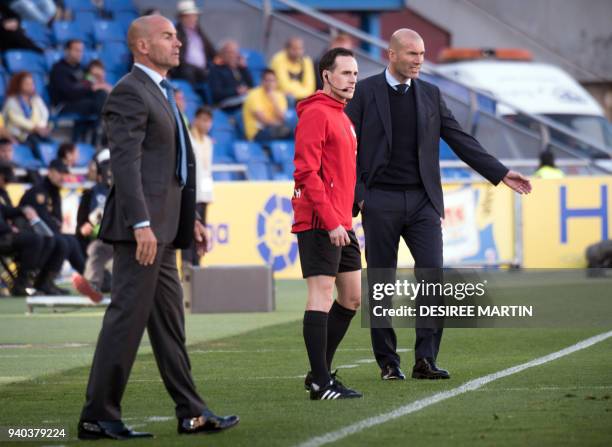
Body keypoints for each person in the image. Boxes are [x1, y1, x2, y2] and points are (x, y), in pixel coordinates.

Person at [77, 15, 239, 440]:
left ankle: (192, 411)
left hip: (166, 231)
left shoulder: (164, 92)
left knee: (169, 326)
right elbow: (125, 167)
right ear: (143, 47)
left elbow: (172, 168)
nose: (179, 42)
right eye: (168, 36)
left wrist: (193, 221)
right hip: (142, 232)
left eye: (177, 35)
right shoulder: (130, 92)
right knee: (126, 320)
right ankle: (98, 414)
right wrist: (141, 223)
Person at [345, 29, 532, 381]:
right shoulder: (365, 92)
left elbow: (460, 139)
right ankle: (387, 362)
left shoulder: (430, 94)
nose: (419, 60)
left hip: (423, 202)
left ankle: (425, 360)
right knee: (381, 283)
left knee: (433, 277)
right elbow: (344, 146)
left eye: (422, 53)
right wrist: (358, 195)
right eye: (412, 54)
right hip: (379, 199)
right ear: (392, 55)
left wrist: (501, 172)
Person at [292, 47, 362, 400]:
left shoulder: (342, 116)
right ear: (326, 75)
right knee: (320, 295)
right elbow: (306, 172)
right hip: (321, 221)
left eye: (355, 73)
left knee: (351, 298)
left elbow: (342, 172)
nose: (352, 79)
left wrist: (351, 209)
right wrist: (333, 220)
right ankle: (321, 382)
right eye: (345, 73)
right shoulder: (317, 114)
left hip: (341, 221)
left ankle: (319, 373)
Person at [0, 163, 69, 295]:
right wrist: (8, 228)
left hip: (8, 233)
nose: (6, 182)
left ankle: (42, 281)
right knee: (36, 240)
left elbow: (5, 210)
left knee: (53, 240)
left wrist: (22, 210)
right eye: (4, 178)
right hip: (3, 235)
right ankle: (22, 283)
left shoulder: (3, 192)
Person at [19, 158, 86, 276]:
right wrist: (55, 225)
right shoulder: (39, 192)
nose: (63, 177)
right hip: (32, 234)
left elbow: (57, 220)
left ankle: (90, 275)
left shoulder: (55, 192)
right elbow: (42, 220)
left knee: (72, 240)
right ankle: (43, 282)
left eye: (65, 174)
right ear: (50, 172)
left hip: (48, 233)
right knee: (63, 241)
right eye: (60, 173)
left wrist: (55, 225)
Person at [73, 149, 113, 302]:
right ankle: (92, 287)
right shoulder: (90, 194)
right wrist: (84, 228)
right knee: (96, 249)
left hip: (129, 241)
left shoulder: (132, 190)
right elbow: (81, 226)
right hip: (103, 241)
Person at [49, 39, 108, 143]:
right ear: (67, 51)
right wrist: (91, 88)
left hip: (83, 102)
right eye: (76, 50)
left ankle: (100, 129)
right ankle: (102, 130)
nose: (79, 53)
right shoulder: (59, 69)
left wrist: (99, 80)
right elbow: (69, 93)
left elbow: (91, 81)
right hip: (65, 104)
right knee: (99, 99)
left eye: (81, 50)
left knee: (102, 94)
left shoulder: (81, 69)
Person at [182, 106, 213, 266]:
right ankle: (187, 268)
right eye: (203, 120)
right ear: (196, 120)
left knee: (201, 233)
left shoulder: (208, 141)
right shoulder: (188, 139)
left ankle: (197, 266)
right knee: (189, 232)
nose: (206, 124)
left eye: (209, 121)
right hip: (191, 193)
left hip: (204, 195)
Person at [2, 71, 53, 160]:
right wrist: (35, 128)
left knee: (50, 142)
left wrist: (41, 126)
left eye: (32, 83)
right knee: (35, 143)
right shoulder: (11, 101)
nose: (31, 85)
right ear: (18, 85)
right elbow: (16, 119)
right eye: (27, 83)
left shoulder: (36, 99)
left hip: (36, 133)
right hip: (18, 135)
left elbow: (44, 114)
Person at [170, 0, 216, 89]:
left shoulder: (199, 31)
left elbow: (211, 50)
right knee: (189, 71)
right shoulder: (176, 32)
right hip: (184, 69)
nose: (193, 19)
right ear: (181, 18)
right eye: (188, 16)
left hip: (202, 70)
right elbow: (178, 57)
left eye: (194, 16)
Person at [242, 68, 291, 142]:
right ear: (262, 81)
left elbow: (282, 118)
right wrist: (278, 124)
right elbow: (262, 119)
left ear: (276, 82)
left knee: (296, 132)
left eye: (273, 80)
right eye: (267, 80)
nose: (270, 83)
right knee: (282, 131)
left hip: (276, 128)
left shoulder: (280, 96)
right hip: (257, 132)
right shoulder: (254, 94)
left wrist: (274, 102)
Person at [208, 39, 253, 112]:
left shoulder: (240, 69)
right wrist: (236, 91)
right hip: (227, 105)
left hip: (243, 101)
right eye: (230, 52)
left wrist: (244, 69)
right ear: (222, 54)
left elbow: (251, 86)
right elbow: (216, 93)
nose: (233, 55)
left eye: (235, 52)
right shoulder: (216, 70)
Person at [270, 37, 315, 101]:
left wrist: (299, 94)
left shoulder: (306, 61)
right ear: (286, 49)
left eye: (300, 49)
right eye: (294, 49)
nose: (298, 52)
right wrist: (301, 92)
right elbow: (283, 86)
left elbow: (310, 88)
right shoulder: (278, 59)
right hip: (280, 98)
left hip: (301, 98)